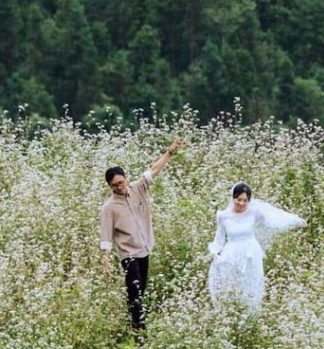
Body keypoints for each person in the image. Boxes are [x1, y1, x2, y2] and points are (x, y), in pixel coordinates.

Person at [99, 138, 183, 333]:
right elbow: (106, 235)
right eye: (114, 186)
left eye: (121, 182)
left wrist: (169, 153)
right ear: (109, 186)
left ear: (125, 178)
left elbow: (153, 170)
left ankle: (134, 319)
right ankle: (138, 327)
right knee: (134, 288)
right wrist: (105, 259)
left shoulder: (138, 189)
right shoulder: (109, 208)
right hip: (128, 253)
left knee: (140, 289)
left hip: (144, 247)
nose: (119, 187)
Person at [207, 182, 306, 312]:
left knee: (250, 285)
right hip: (232, 253)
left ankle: (251, 314)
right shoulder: (224, 216)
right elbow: (219, 240)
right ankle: (230, 312)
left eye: (245, 200)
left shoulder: (254, 212)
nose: (241, 203)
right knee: (231, 284)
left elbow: (275, 218)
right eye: (239, 200)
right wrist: (213, 252)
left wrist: (296, 221)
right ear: (233, 198)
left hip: (250, 254)